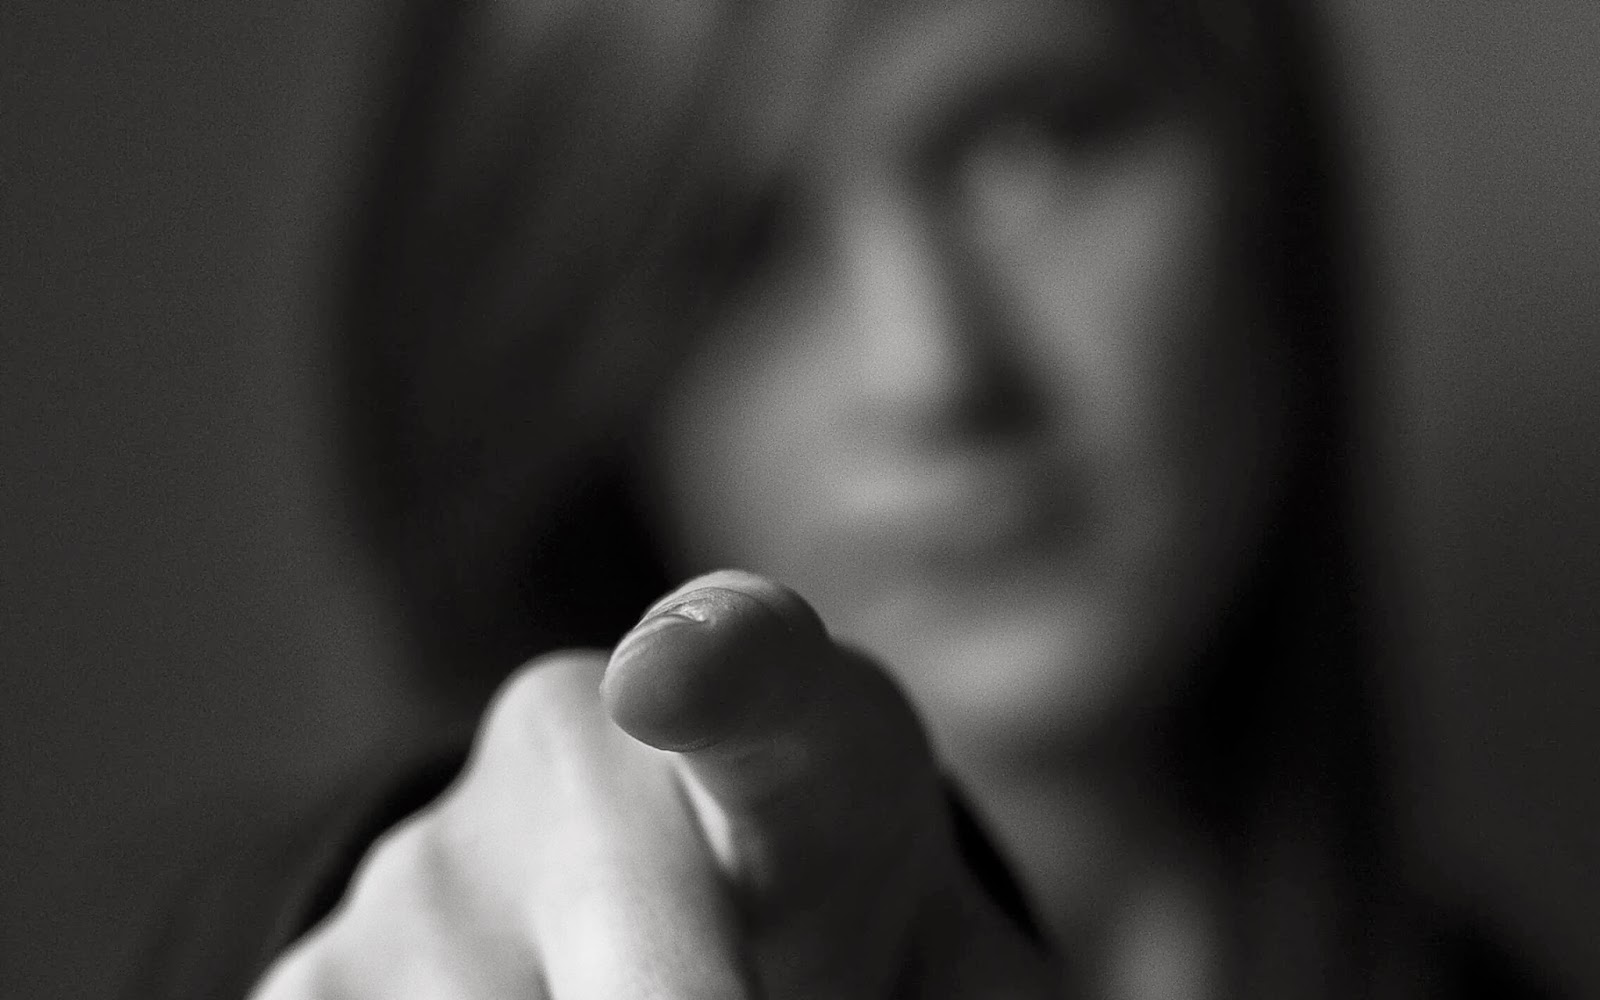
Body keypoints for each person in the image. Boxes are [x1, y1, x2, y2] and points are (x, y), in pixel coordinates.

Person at [129, 0, 1555, 997]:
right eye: (735, 239)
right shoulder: (348, 921)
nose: (933, 365)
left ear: (1266, 184)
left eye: (1035, 139)